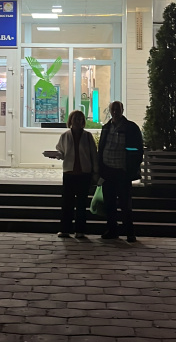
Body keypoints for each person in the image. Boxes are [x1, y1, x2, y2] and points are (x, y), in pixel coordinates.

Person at [97, 100, 143, 243]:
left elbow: (138, 150)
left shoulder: (131, 128)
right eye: (113, 109)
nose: (115, 112)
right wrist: (100, 169)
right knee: (109, 204)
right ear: (110, 111)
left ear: (122, 110)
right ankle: (112, 230)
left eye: (118, 109)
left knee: (125, 204)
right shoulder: (106, 128)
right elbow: (101, 148)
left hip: (122, 172)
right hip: (108, 171)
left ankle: (129, 232)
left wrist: (131, 168)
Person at [53, 110, 98, 240]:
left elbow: (94, 155)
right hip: (69, 173)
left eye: (80, 119)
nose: (78, 121)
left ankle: (80, 230)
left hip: (84, 173)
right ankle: (65, 229)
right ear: (71, 120)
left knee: (81, 203)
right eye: (76, 119)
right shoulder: (65, 136)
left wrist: (96, 172)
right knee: (67, 203)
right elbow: (61, 151)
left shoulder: (87, 136)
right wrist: (57, 155)